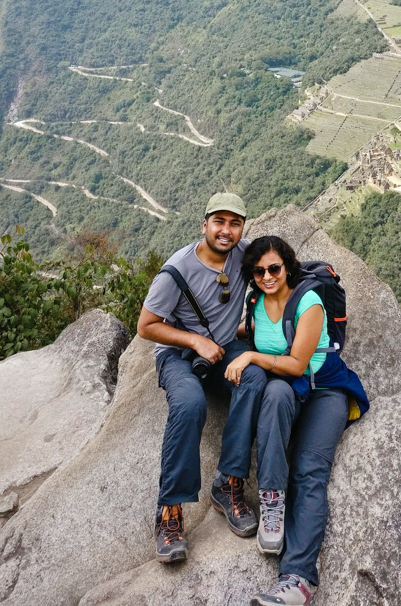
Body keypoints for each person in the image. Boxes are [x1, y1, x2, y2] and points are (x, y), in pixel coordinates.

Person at [224, 236, 369, 606]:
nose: (267, 276)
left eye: (274, 268)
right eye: (259, 271)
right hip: (288, 390)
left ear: (287, 266)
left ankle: (298, 581)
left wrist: (250, 358)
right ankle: (272, 498)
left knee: (308, 471)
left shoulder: (308, 301)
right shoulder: (255, 301)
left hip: (323, 390)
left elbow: (296, 364)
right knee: (272, 396)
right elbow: (252, 333)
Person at [137, 192, 267, 563]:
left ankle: (227, 483)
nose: (227, 231)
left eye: (235, 223)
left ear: (243, 227)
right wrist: (195, 339)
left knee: (255, 378)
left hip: (225, 349)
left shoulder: (244, 255)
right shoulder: (176, 270)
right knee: (190, 404)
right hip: (178, 356)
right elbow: (146, 326)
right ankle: (170, 510)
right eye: (219, 222)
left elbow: (280, 271)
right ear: (205, 224)